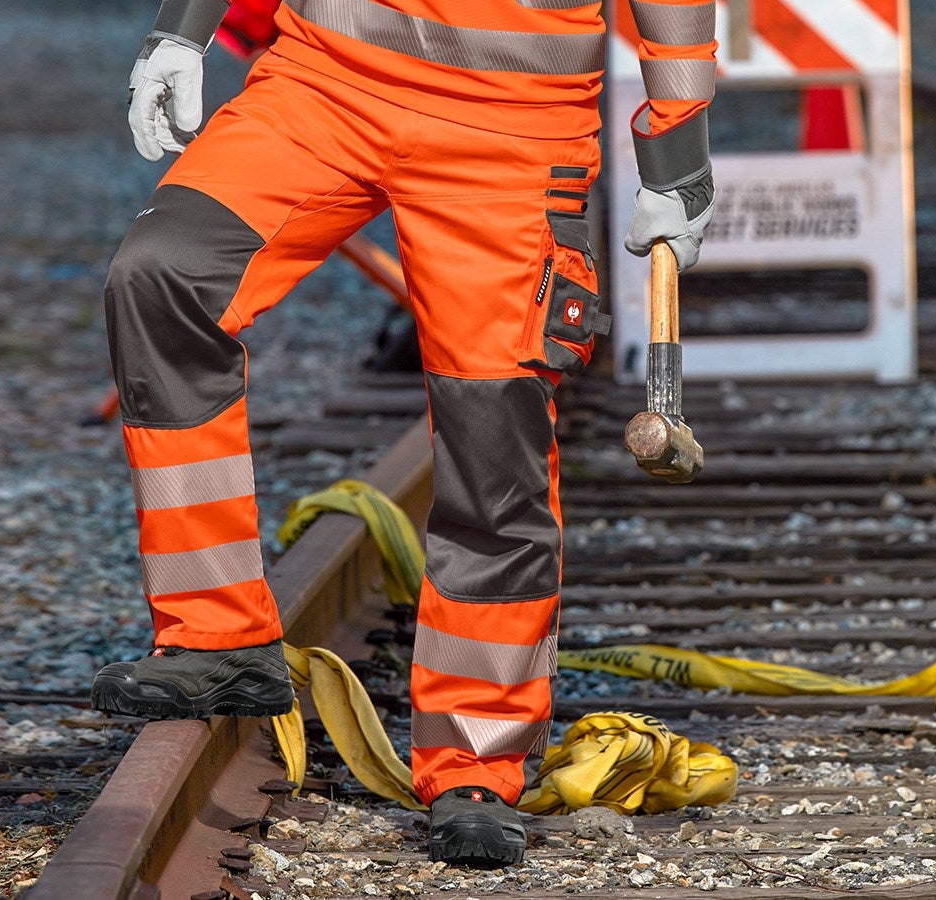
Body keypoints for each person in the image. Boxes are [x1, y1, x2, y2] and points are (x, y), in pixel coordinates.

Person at [91, 0, 717, 867]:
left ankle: (477, 759)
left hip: (512, 123)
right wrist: (182, 29)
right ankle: (214, 636)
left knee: (492, 440)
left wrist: (678, 146)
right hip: (322, 81)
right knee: (162, 278)